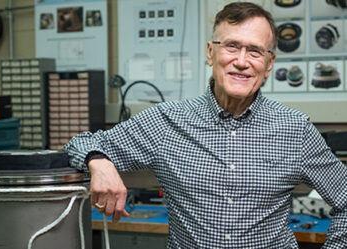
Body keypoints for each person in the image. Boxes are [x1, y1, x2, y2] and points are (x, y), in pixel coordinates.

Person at [65, 2, 347, 248]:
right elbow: (81, 143)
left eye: (255, 51)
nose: (241, 61)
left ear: (269, 63)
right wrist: (99, 161)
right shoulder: (166, 122)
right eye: (232, 46)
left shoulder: (294, 130)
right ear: (211, 53)